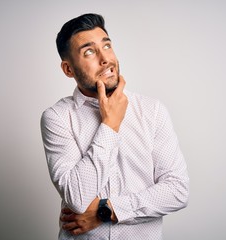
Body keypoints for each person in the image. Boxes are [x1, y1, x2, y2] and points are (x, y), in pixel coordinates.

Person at [40, 13, 189, 239]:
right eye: (89, 51)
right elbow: (78, 197)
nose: (105, 58)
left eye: (107, 45)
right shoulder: (57, 118)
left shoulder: (152, 110)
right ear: (68, 69)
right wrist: (110, 124)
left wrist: (106, 211)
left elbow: (177, 191)